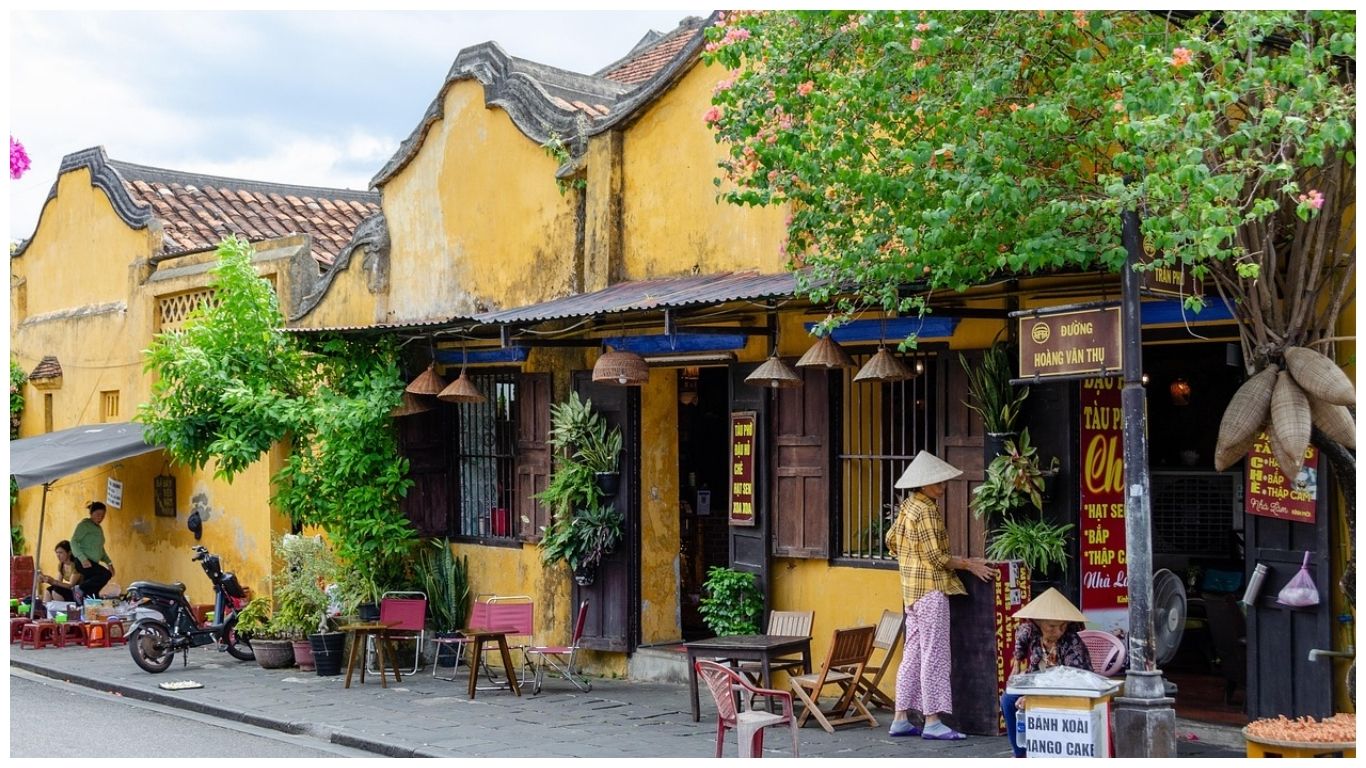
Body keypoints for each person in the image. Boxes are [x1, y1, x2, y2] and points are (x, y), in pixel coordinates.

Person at [884, 451, 996, 741]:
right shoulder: (927, 511)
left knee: (912, 654)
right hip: (932, 591)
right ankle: (932, 720)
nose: (942, 487)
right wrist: (969, 563)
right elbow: (937, 557)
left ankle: (900, 718)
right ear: (923, 485)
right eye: (937, 483)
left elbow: (890, 541)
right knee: (934, 655)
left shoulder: (907, 507)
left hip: (910, 592)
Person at [1001, 588, 1094, 757]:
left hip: (1069, 691)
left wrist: (1034, 697)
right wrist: (1016, 668)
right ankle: (1021, 755)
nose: (1058, 631)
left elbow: (1071, 680)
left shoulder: (1072, 642)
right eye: (1051, 626)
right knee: (1008, 699)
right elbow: (1021, 636)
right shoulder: (1031, 632)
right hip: (1039, 685)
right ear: (1038, 623)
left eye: (1062, 626)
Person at [70, 500, 115, 600]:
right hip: (84, 562)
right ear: (91, 513)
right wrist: (82, 558)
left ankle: (87, 604)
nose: (100, 517)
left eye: (103, 515)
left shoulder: (98, 528)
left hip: (92, 563)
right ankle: (79, 588)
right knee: (105, 574)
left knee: (92, 592)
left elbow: (100, 548)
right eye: (98, 514)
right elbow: (73, 541)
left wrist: (109, 562)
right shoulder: (84, 525)